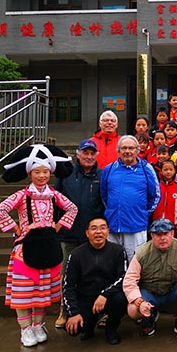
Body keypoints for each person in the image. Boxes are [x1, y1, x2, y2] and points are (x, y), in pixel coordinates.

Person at [0, 144, 77, 347]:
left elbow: (72, 208)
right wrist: (16, 228)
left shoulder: (54, 195)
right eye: (37, 172)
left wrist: (58, 226)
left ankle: (38, 324)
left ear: (51, 173)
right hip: (25, 248)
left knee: (42, 291)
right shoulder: (21, 195)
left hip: (48, 246)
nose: (41, 176)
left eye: (45, 172)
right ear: (30, 173)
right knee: (24, 292)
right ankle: (25, 328)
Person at [123, 218, 177, 340]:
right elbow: (129, 280)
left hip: (173, 290)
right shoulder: (141, 253)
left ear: (172, 233)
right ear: (152, 236)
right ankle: (149, 317)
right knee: (132, 310)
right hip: (149, 293)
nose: (162, 238)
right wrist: (140, 302)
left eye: (166, 234)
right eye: (158, 235)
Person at [54, 139, 106, 329]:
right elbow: (55, 200)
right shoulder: (65, 174)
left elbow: (104, 202)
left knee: (95, 273)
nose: (89, 157)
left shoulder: (102, 175)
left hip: (93, 235)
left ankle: (96, 311)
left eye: (93, 153)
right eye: (85, 153)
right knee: (67, 273)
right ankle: (65, 310)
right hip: (68, 233)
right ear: (78, 154)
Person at [63, 216, 127, 345]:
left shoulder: (118, 251)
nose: (98, 232)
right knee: (74, 329)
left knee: (121, 299)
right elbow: (67, 285)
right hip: (85, 297)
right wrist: (73, 313)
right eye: (94, 228)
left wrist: (104, 294)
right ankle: (89, 326)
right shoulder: (76, 254)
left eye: (102, 228)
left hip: (109, 297)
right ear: (87, 233)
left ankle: (111, 329)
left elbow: (123, 277)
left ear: (108, 232)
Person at [100, 135, 161, 261]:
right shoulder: (109, 168)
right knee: (113, 262)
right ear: (118, 151)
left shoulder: (146, 169)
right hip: (113, 225)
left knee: (135, 263)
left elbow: (155, 196)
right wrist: (113, 210)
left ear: (137, 150)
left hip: (136, 226)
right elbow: (104, 194)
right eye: (124, 148)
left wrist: (143, 213)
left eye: (131, 148)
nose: (127, 151)